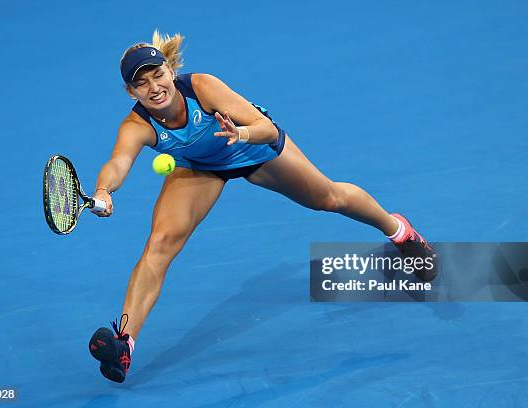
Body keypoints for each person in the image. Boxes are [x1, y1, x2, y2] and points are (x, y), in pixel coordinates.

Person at [87, 30, 436, 383]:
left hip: (253, 149)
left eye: (157, 74)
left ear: (171, 71)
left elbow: (265, 128)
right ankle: (125, 343)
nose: (153, 87)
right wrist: (103, 190)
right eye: (141, 83)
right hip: (200, 167)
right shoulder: (137, 125)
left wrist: (241, 134)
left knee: (329, 198)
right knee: (159, 245)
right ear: (131, 92)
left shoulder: (203, 87)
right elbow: (118, 162)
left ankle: (400, 231)